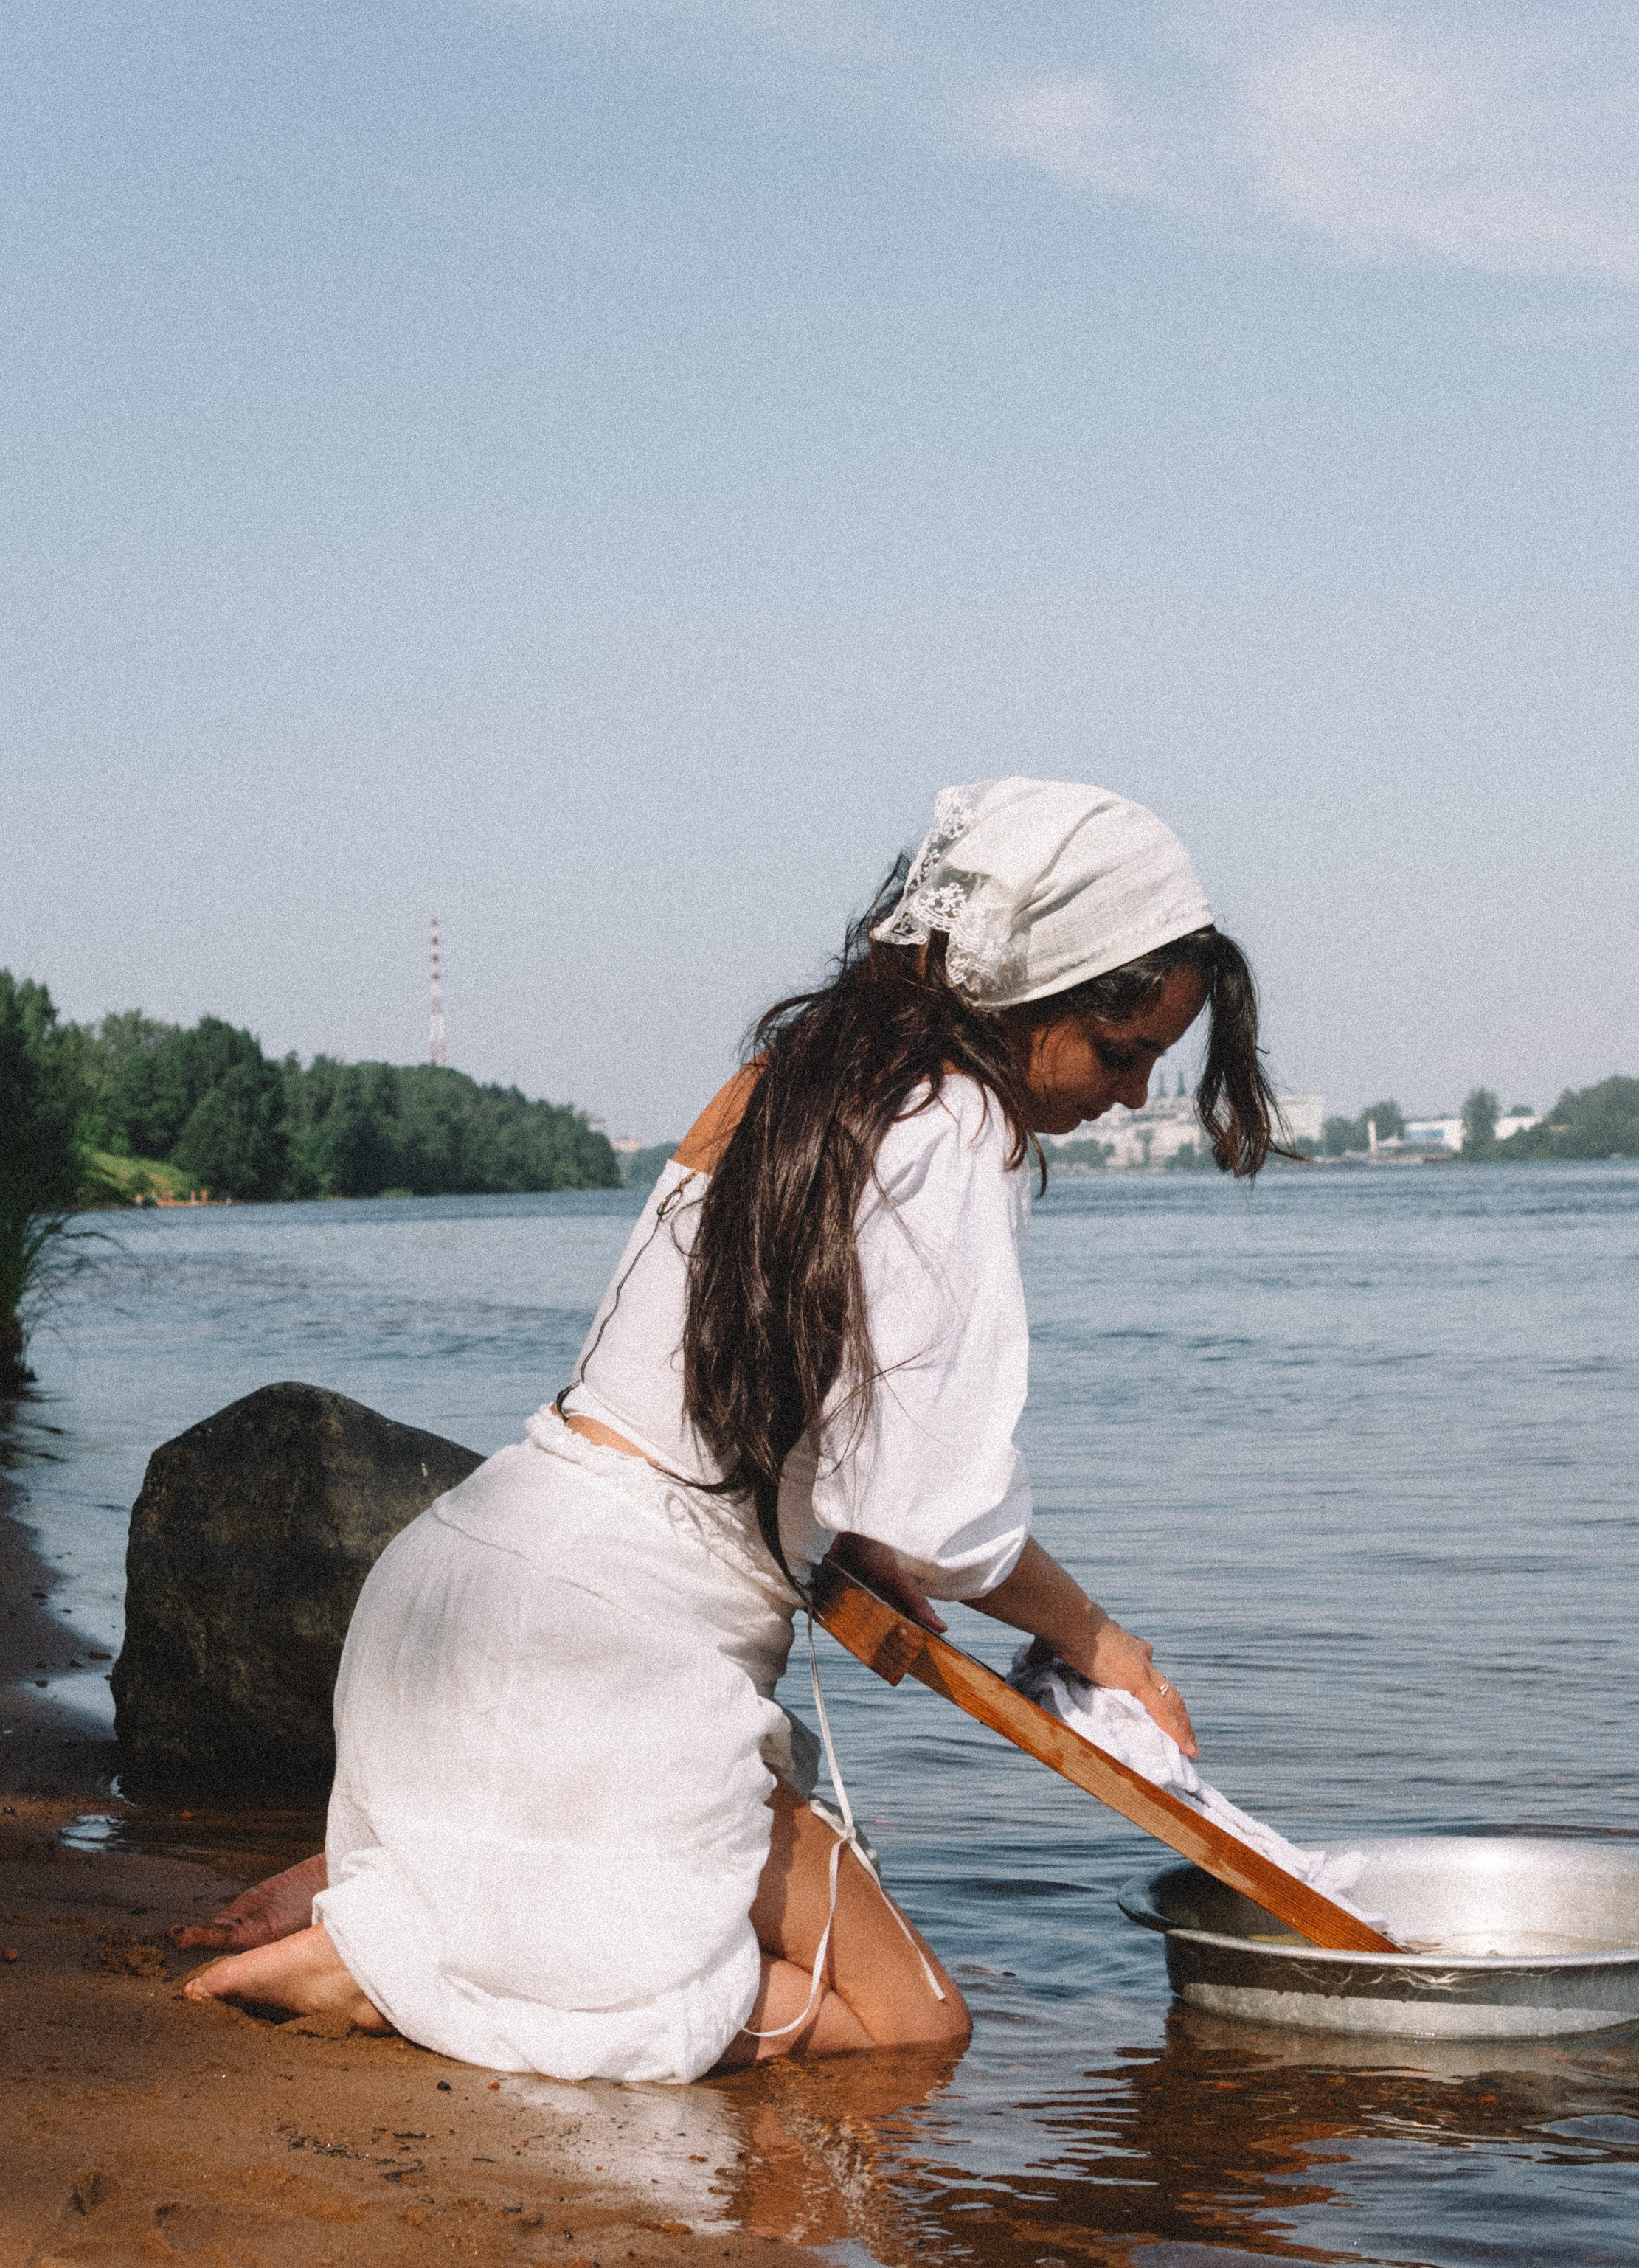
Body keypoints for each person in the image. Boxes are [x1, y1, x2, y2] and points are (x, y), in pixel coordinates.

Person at [184, 779, 1276, 2077]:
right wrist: (1105, 1644)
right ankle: (401, 1971)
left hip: (456, 1593)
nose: (1141, 1092)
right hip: (600, 1665)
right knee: (911, 2027)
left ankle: (442, 1903)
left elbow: (736, 1417)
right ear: (1027, 994)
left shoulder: (795, 1082)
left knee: (750, 1933)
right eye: (1121, 1050)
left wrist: (855, 1549)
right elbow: (939, 1513)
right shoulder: (955, 1120)